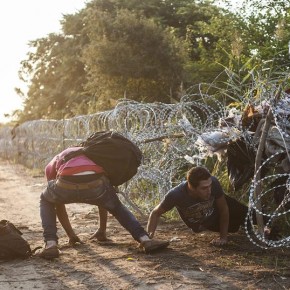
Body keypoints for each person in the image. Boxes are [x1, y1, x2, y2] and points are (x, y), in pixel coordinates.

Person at [39, 146, 169, 259]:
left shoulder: (56, 160)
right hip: (96, 183)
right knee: (116, 207)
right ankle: (145, 239)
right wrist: (102, 230)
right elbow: (103, 202)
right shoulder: (93, 154)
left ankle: (50, 244)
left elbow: (58, 204)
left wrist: (71, 235)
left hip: (66, 182)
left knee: (46, 199)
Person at [147, 166, 249, 246]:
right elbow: (155, 213)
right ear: (191, 187)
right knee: (235, 227)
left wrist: (223, 238)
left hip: (217, 211)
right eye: (204, 188)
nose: (209, 190)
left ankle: (263, 224)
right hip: (206, 223)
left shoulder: (213, 183)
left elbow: (224, 209)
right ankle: (250, 228)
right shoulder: (176, 194)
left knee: (244, 211)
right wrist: (149, 238)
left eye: (210, 186)